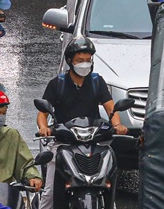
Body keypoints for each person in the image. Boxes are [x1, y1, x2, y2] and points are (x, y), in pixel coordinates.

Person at [37, 37, 125, 205]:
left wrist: (117, 125)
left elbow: (111, 108)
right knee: (49, 193)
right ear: (70, 61)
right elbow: (42, 114)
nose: (84, 64)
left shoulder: (97, 82)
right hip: (64, 141)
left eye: (87, 60)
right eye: (80, 60)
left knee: (107, 185)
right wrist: (44, 128)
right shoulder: (57, 84)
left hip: (94, 140)